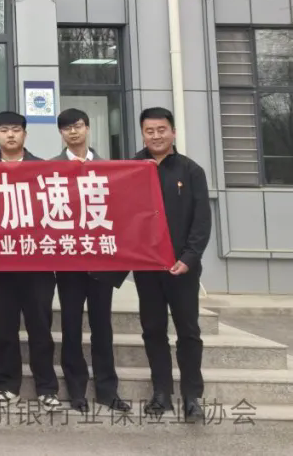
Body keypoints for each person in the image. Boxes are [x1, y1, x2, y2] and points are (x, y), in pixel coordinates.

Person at [133, 107, 211, 422]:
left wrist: (189, 258)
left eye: (161, 129)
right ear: (143, 134)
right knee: (153, 330)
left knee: (188, 331)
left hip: (182, 268)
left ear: (173, 132)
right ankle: (161, 394)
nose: (156, 136)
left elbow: (201, 221)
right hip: (147, 268)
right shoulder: (131, 169)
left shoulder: (191, 171)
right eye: (149, 131)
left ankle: (192, 397)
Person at [51, 108, 130, 413]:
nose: (73, 132)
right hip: (68, 262)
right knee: (71, 326)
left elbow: (122, 212)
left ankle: (108, 391)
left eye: (78, 126)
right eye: (66, 128)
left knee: (102, 327)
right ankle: (76, 390)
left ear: (87, 128)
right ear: (61, 133)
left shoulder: (111, 169)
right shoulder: (50, 169)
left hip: (102, 259)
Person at [0, 110, 60, 410]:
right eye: (4, 130)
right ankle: (7, 385)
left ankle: (46, 387)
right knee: (5, 326)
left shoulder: (44, 169)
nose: (10, 135)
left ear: (25, 134)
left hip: (37, 263)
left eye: (16, 129)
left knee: (40, 327)